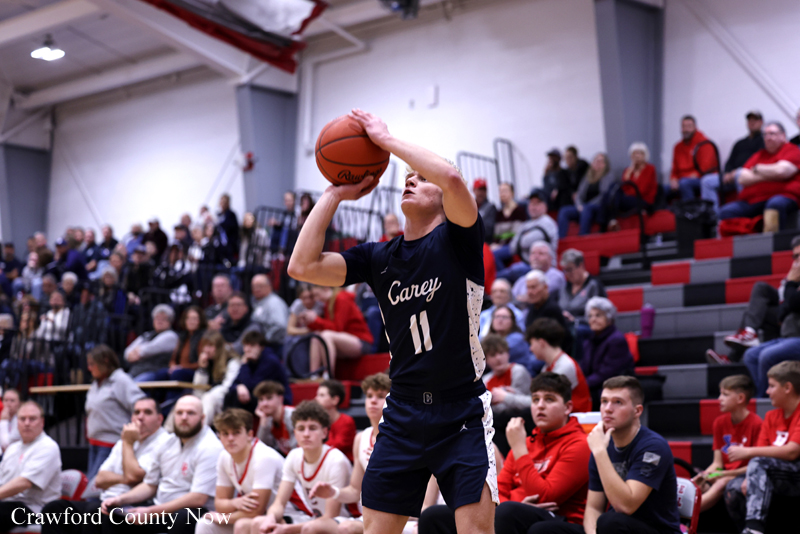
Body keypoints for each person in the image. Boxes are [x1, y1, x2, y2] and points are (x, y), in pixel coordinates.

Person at [287, 109, 497, 534]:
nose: (410, 181)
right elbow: (301, 265)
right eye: (407, 178)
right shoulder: (378, 256)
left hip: (461, 410)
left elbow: (451, 178)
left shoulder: (460, 240)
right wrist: (333, 194)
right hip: (402, 411)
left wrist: (385, 141)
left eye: (421, 178)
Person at [420, 372, 591, 534]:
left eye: (549, 399)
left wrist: (519, 450)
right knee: (434, 516)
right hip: (515, 511)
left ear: (568, 407)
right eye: (535, 399)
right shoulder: (526, 442)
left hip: (561, 520)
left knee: (509, 514)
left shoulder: (579, 444)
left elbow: (546, 497)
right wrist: (518, 503)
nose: (540, 405)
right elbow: (498, 491)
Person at [563, 376, 680, 534]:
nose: (608, 409)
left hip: (655, 529)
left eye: (618, 402)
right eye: (604, 401)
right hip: (614, 527)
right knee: (545, 529)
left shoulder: (653, 447)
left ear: (637, 411)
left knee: (610, 521)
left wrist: (600, 452)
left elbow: (626, 506)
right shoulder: (603, 445)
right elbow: (593, 508)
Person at [41, 397, 171, 534]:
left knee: (95, 514)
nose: (140, 417)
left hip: (137, 505)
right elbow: (100, 479)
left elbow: (134, 476)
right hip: (106, 501)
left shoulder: (164, 442)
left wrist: (128, 444)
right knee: (55, 510)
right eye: (137, 412)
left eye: (147, 412)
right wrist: (126, 477)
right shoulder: (123, 440)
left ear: (159, 419)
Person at [99, 395, 223, 534]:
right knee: (113, 515)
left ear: (202, 418)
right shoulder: (168, 442)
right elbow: (150, 485)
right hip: (161, 509)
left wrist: (150, 512)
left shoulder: (210, 447)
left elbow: (198, 499)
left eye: (190, 413)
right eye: (179, 413)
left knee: (183, 517)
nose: (184, 417)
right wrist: (119, 499)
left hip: (194, 512)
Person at [240, 401, 354, 533]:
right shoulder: (294, 456)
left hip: (343, 522)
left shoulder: (336, 460)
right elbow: (279, 503)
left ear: (324, 432)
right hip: (312, 519)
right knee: (257, 523)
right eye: (301, 429)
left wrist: (286, 529)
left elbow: (330, 517)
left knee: (309, 528)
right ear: (294, 432)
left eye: (312, 428)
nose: (306, 434)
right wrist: (271, 518)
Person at [303, 373, 393, 534]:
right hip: (367, 516)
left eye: (380, 396)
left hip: (398, 514)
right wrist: (334, 492)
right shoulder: (361, 438)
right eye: (369, 396)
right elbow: (354, 491)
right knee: (312, 527)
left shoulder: (402, 438)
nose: (373, 401)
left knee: (347, 528)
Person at [724, 361, 800, 534]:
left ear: (787, 388)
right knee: (734, 487)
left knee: (759, 463)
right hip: (775, 472)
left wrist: (747, 452)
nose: (767, 391)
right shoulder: (771, 416)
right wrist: (750, 477)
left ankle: (754, 528)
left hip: (796, 473)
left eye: (771, 386)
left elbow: (792, 451)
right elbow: (760, 455)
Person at [714, 236, 800, 378]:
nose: (797, 260)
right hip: (787, 322)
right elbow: (785, 302)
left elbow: (793, 303)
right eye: (795, 256)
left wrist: (791, 283)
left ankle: (735, 355)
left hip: (795, 330)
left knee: (760, 315)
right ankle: (749, 333)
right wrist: (790, 286)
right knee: (759, 293)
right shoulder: (794, 274)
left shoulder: (793, 277)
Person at [197, 408, 284, 534]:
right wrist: (234, 503)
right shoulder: (224, 457)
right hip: (258, 518)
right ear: (219, 436)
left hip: (287, 516)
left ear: (249, 435)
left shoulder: (263, 457)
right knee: (205, 523)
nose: (230, 438)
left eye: (236, 433)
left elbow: (256, 511)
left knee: (242, 524)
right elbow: (219, 504)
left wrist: (225, 518)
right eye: (225, 434)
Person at [691, 375, 761, 514]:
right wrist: (706, 475)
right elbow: (717, 463)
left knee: (722, 482)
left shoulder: (757, 424)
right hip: (725, 473)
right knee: (697, 483)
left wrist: (724, 474)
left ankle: (681, 513)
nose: (719, 399)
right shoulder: (719, 422)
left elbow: (756, 466)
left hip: (745, 474)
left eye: (725, 394)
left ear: (740, 398)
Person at [719, 121, 800, 232]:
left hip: (783, 196)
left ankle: (771, 241)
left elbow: (782, 171)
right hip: (753, 200)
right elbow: (742, 178)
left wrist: (758, 169)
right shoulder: (759, 155)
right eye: (765, 134)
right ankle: (744, 241)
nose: (768, 138)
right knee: (726, 211)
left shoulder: (792, 150)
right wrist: (772, 173)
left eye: (772, 134)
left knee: (775, 204)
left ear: (783, 136)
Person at [85, 344, 146, 481]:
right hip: (94, 443)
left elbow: (140, 404)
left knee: (95, 486)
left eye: (92, 364)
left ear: (105, 361)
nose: (89, 368)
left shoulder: (121, 380)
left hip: (111, 444)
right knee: (91, 484)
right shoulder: (96, 383)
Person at [0, 401, 62, 532]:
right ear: (17, 422)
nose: (27, 423)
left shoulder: (48, 446)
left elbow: (24, 483)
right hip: (9, 504)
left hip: (36, 510)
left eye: (32, 419)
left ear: (42, 422)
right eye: (22, 419)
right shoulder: (13, 448)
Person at [303, 286, 373, 376]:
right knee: (316, 336)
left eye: (317, 295)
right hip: (344, 340)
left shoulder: (341, 298)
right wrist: (310, 322)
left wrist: (316, 319)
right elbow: (329, 326)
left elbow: (337, 328)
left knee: (326, 335)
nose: (316, 299)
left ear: (326, 288)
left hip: (361, 341)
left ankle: (328, 375)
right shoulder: (328, 303)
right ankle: (313, 375)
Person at [704, 111, 766, 213]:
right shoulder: (740, 143)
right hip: (731, 177)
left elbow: (758, 161)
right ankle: (713, 217)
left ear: (761, 122)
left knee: (740, 174)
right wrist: (727, 173)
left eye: (755, 120)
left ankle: (742, 212)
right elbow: (730, 161)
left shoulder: (764, 141)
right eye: (750, 120)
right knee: (706, 181)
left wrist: (736, 172)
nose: (752, 122)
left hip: (748, 175)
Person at [526, 318, 591, 413]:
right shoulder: (548, 366)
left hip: (575, 417)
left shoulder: (565, 366)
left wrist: (507, 397)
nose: (530, 349)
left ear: (541, 343)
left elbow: (543, 400)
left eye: (531, 344)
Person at [494, 189, 559, 283]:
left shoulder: (548, 222)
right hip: (527, 263)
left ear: (545, 206)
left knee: (510, 272)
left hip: (543, 267)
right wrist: (523, 237)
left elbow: (525, 242)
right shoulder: (526, 224)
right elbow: (513, 246)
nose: (533, 207)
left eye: (537, 203)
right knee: (494, 255)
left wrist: (522, 237)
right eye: (531, 203)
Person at [581, 297, 634, 408]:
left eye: (598, 315)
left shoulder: (616, 340)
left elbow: (606, 374)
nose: (593, 319)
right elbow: (583, 369)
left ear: (609, 318)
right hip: (595, 387)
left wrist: (582, 385)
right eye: (590, 316)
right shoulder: (589, 341)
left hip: (613, 389)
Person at [225, 331, 291, 412]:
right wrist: (238, 386)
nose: (247, 349)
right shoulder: (251, 360)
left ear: (261, 347)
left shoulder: (270, 361)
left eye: (252, 346)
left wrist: (244, 365)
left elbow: (253, 386)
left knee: (239, 396)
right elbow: (232, 385)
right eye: (245, 345)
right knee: (230, 395)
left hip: (277, 398)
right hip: (262, 396)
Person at [558, 153, 614, 237]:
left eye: (601, 161)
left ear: (605, 164)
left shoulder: (608, 176)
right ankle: (561, 238)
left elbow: (604, 195)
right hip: (584, 207)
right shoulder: (588, 177)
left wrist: (587, 206)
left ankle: (583, 235)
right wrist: (579, 205)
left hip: (599, 207)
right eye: (596, 161)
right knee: (564, 211)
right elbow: (579, 194)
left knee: (587, 209)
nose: (597, 163)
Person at [194, 331, 242, 425]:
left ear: (219, 347)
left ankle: (200, 428)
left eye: (210, 346)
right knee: (187, 401)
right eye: (205, 346)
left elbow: (227, 387)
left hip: (225, 398)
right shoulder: (208, 361)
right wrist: (202, 369)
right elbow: (198, 388)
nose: (206, 350)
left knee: (209, 398)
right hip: (209, 396)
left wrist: (209, 394)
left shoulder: (232, 360)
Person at [607, 143, 658, 231]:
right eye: (634, 154)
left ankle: (611, 220)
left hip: (643, 200)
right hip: (629, 199)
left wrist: (626, 193)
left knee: (613, 196)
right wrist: (629, 173)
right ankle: (611, 221)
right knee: (612, 189)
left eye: (640, 153)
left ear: (645, 155)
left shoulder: (650, 169)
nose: (637, 156)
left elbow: (641, 190)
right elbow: (623, 188)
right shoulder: (628, 170)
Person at [669, 115, 720, 202]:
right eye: (683, 126)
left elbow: (705, 170)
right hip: (682, 180)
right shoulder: (677, 147)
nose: (686, 129)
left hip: (700, 179)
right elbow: (674, 170)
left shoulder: (704, 143)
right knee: (662, 189)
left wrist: (684, 178)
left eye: (689, 126)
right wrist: (673, 179)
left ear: (695, 127)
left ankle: (691, 209)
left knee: (684, 183)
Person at [124, 304, 179, 380]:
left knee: (136, 384)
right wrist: (131, 354)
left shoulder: (171, 336)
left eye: (163, 319)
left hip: (154, 372)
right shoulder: (146, 335)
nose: (159, 321)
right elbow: (127, 352)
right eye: (157, 318)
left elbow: (148, 350)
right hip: (136, 371)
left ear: (170, 321)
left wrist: (137, 352)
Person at [481, 334, 531, 416]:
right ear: (486, 360)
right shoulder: (486, 380)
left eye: (501, 353)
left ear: (508, 353)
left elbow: (529, 403)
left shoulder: (518, 371)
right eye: (493, 355)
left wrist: (505, 397)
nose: (498, 358)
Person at [487, 305, 537, 375]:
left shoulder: (517, 338)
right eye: (497, 316)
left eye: (504, 317)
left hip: (520, 376)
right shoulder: (489, 338)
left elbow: (490, 355)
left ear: (512, 321)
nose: (500, 320)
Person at [559, 249, 607, 322]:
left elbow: (600, 314)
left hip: (586, 326)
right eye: (565, 270)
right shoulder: (564, 287)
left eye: (570, 269)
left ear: (581, 265)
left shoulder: (594, 285)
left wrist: (576, 320)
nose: (567, 274)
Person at [315, 379, 357, 462]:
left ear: (335, 400)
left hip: (344, 463)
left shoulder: (346, 421)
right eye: (317, 395)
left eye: (322, 395)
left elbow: (335, 447)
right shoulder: (316, 421)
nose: (316, 398)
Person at [253, 380, 296, 456]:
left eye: (269, 398)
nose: (264, 403)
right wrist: (263, 423)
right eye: (261, 399)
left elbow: (298, 449)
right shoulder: (268, 420)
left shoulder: (292, 416)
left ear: (280, 399)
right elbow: (261, 449)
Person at [250, 274, 289, 346]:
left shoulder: (274, 302)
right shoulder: (258, 302)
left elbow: (280, 326)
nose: (256, 289)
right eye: (254, 286)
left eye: (260, 286)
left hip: (274, 346)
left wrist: (265, 340)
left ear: (269, 286)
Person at [473, 178, 497, 243]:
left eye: (484, 190)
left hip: (485, 242)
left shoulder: (491, 207)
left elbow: (488, 230)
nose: (481, 193)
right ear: (474, 190)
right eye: (479, 189)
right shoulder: (470, 207)